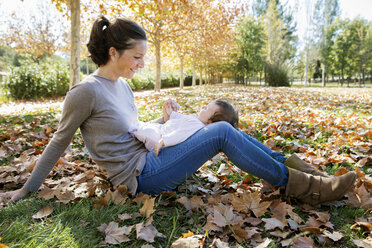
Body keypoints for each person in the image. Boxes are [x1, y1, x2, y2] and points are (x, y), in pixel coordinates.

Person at [0, 16, 357, 206]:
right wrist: (27, 191)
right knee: (221, 131)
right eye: (136, 57)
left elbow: (130, 129)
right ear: (113, 53)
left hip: (153, 156)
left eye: (143, 58)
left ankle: (303, 171)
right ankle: (306, 187)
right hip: (139, 177)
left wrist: (165, 119)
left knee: (220, 129)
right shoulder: (84, 92)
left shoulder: (121, 86)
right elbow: (58, 143)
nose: (141, 64)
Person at [131, 100, 238, 156]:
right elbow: (181, 118)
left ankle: (131, 129)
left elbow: (178, 135)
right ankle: (135, 127)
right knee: (149, 126)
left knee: (146, 131)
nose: (203, 107)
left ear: (209, 123)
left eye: (206, 109)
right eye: (206, 105)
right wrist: (170, 112)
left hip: (161, 139)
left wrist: (162, 142)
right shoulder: (196, 120)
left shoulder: (196, 126)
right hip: (163, 130)